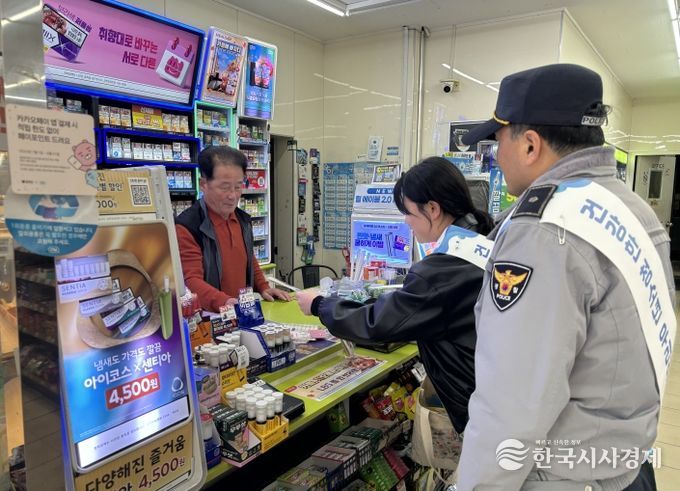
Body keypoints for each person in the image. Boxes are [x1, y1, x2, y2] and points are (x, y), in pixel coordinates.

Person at [457, 63, 674, 490]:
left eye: (498, 140)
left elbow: (512, 405)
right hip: (625, 464)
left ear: (530, 145)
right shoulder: (630, 208)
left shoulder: (543, 231)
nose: (496, 156)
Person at [297, 157, 494, 432]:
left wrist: (320, 305)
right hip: (492, 386)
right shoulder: (482, 237)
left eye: (409, 212)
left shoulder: (442, 270)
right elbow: (405, 305)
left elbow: (378, 323)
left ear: (433, 209)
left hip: (476, 407)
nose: (406, 221)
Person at [176, 146, 290, 311]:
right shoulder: (188, 227)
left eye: (238, 187)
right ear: (203, 184)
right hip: (211, 317)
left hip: (242, 312)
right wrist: (226, 302)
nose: (233, 195)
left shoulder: (243, 220)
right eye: (224, 187)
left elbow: (248, 258)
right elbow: (190, 281)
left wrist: (263, 287)